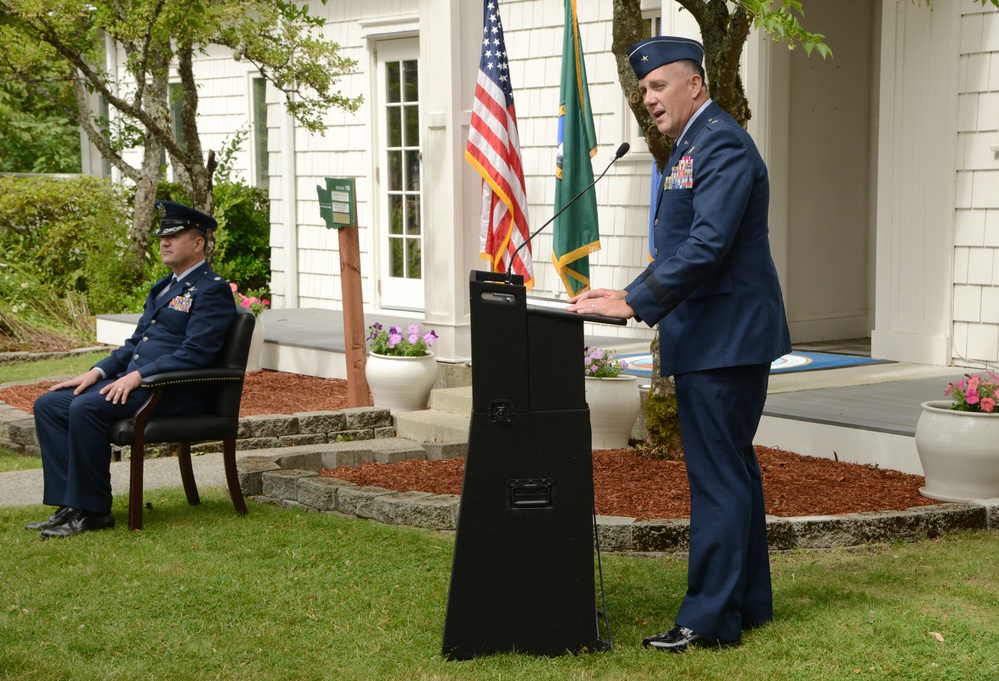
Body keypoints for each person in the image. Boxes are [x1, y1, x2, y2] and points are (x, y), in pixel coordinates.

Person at [567, 36, 791, 652]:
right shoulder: (694, 142)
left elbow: (708, 244)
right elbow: (682, 245)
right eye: (643, 90)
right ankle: (748, 604)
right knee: (733, 471)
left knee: (717, 478)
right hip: (717, 336)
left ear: (696, 83)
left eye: (659, 86)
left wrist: (634, 301)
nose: (649, 100)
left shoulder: (719, 141)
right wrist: (633, 289)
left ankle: (708, 622)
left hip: (725, 339)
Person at [27, 201, 237, 538]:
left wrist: (139, 375)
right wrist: (98, 371)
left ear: (198, 243)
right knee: (50, 405)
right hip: (140, 384)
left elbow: (197, 353)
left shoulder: (212, 290)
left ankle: (94, 511)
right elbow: (136, 341)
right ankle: (70, 504)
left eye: (174, 236)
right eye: (161, 238)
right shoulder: (163, 287)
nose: (164, 243)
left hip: (173, 391)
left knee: (87, 407)